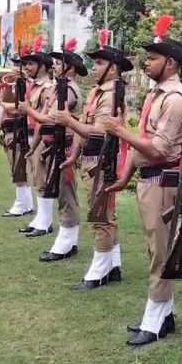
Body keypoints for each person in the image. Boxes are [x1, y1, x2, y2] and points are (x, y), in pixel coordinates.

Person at [100, 15, 182, 346]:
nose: (146, 62)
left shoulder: (176, 98)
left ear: (170, 62)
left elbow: (158, 148)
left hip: (163, 183)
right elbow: (145, 140)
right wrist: (125, 177)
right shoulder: (158, 95)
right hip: (150, 181)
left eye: (152, 57)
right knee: (156, 248)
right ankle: (164, 316)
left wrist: (119, 131)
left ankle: (153, 322)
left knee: (160, 254)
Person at [55, 30, 133, 291]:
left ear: (113, 69)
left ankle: (99, 271)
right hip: (90, 159)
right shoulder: (97, 92)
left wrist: (69, 121)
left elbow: (100, 131)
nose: (94, 66)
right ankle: (113, 265)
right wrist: (74, 155)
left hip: (102, 160)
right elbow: (83, 127)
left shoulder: (112, 95)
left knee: (101, 215)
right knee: (105, 214)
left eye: (100, 62)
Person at [39, 38, 88, 262]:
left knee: (67, 195)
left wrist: (28, 110)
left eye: (59, 63)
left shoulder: (69, 89)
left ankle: (66, 243)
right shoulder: (60, 87)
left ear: (70, 68)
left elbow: (53, 117)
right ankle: (68, 239)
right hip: (57, 145)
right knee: (61, 193)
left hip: (66, 147)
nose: (55, 66)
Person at [16, 36, 56, 237]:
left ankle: (46, 221)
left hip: (42, 136)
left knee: (42, 178)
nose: (27, 67)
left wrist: (27, 110)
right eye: (26, 63)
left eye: (31, 63)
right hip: (33, 135)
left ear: (43, 66)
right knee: (36, 177)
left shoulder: (48, 88)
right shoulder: (36, 86)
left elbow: (44, 117)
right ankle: (40, 218)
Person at [0, 60, 34, 217]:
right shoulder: (11, 86)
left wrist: (1, 103)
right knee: (17, 169)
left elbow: (20, 108)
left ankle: (21, 205)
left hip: (18, 131)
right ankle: (26, 204)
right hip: (10, 131)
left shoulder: (26, 86)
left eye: (18, 67)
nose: (14, 71)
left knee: (18, 170)